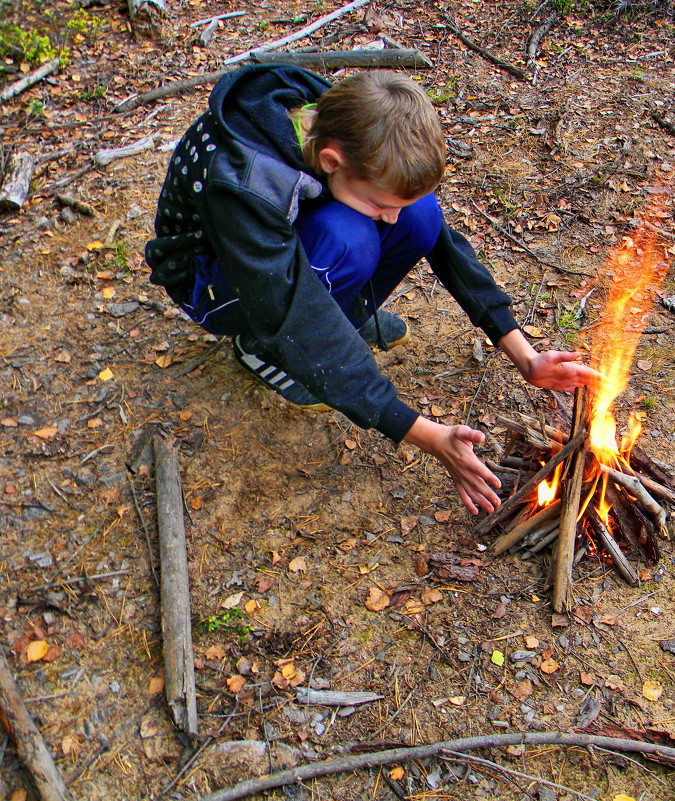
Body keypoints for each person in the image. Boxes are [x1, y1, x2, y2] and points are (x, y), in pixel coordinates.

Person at [144, 65, 597, 515]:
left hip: (275, 238)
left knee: (420, 217)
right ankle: (262, 348)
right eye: (380, 203)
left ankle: (341, 316)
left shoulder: (346, 123)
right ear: (331, 163)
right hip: (211, 280)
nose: (390, 219)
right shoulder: (245, 181)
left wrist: (523, 352)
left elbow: (439, 239)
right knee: (349, 240)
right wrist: (421, 432)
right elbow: (290, 305)